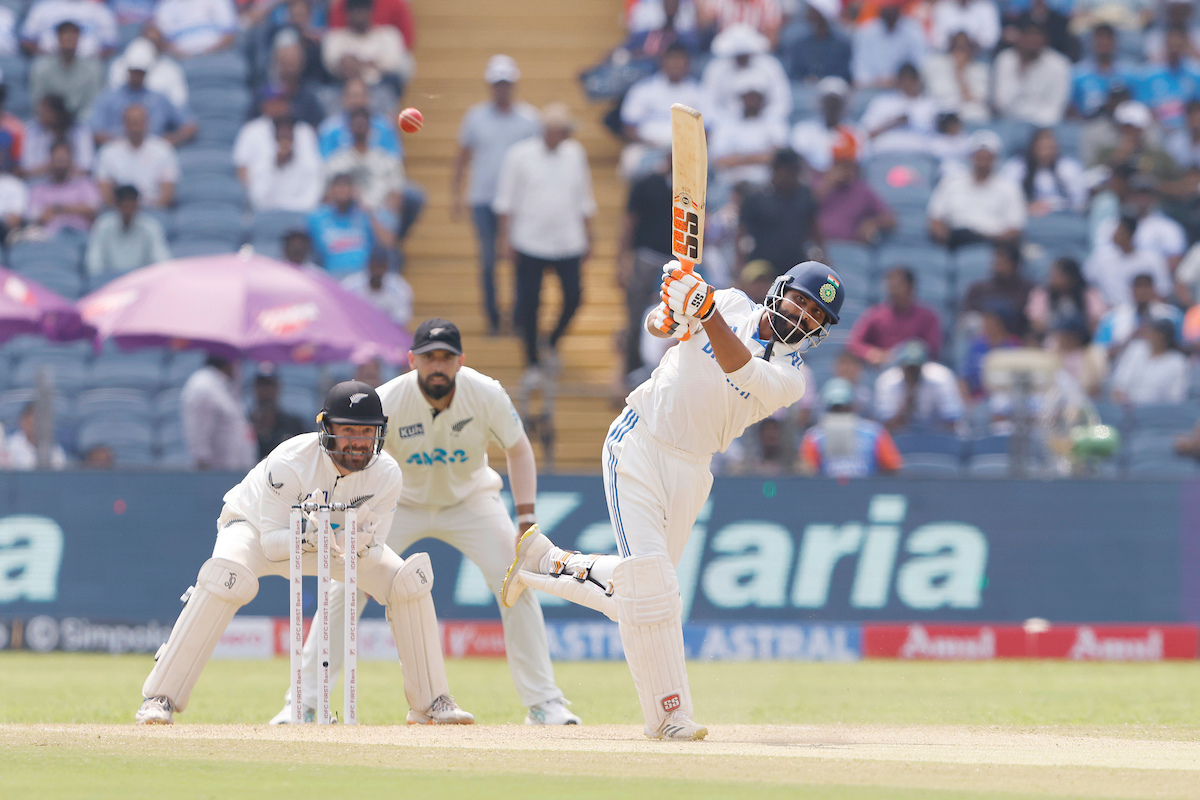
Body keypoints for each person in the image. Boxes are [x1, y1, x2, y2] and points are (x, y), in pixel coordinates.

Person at [502, 260, 846, 740]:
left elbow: (741, 369)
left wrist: (702, 312)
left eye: (816, 315)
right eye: (802, 300)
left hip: (693, 468)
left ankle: (546, 562)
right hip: (639, 440)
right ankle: (669, 718)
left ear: (821, 331)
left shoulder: (791, 378)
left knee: (652, 599)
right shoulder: (727, 302)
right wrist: (669, 315)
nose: (804, 314)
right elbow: (660, 324)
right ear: (779, 291)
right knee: (649, 585)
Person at [267, 322, 579, 727]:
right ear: (412, 360)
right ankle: (304, 703)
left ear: (460, 362)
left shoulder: (485, 393)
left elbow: (518, 449)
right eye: (429, 357)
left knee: (516, 581)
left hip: (472, 501)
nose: (438, 365)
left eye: (446, 358)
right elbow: (358, 459)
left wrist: (527, 519)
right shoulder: (388, 398)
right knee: (344, 585)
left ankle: (544, 703)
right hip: (403, 504)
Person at [136, 381, 474, 726]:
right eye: (348, 431)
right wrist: (309, 535)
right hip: (254, 529)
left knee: (406, 582)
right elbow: (269, 544)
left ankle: (432, 702)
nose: (358, 442)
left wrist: (358, 546)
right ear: (326, 429)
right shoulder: (290, 461)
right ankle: (160, 696)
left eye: (367, 432)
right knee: (226, 576)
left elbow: (371, 554)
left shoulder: (387, 474)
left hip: (334, 543)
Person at [494, 103, 595, 372]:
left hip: (568, 240)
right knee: (528, 304)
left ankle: (550, 341)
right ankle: (531, 360)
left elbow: (584, 197)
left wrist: (589, 235)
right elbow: (506, 201)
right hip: (529, 240)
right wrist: (505, 239)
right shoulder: (520, 155)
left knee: (574, 297)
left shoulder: (575, 154)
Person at [617, 150, 674, 378]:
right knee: (636, 317)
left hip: (678, 263)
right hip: (646, 258)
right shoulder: (646, 184)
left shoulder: (690, 190)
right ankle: (630, 372)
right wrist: (622, 262)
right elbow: (629, 222)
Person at [88, 38, 196, 147]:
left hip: (154, 154)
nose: (137, 76)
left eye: (140, 72)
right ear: (128, 70)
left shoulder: (159, 99)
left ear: (147, 72)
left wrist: (169, 140)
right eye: (134, 71)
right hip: (117, 154)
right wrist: (122, 146)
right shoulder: (109, 98)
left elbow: (190, 125)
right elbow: (95, 132)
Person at [928, 131, 1026, 250]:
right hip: (956, 243)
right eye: (979, 156)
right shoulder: (951, 183)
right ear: (971, 157)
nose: (982, 161)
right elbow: (935, 218)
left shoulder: (1010, 188)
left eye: (987, 157)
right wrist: (947, 238)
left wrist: (982, 239)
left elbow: (1015, 229)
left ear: (995, 158)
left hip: (993, 246)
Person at [738, 148, 822, 275]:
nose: (791, 175)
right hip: (762, 266)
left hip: (796, 264)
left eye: (794, 171)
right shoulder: (756, 197)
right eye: (788, 171)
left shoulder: (805, 195)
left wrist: (823, 257)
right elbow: (741, 234)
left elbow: (814, 229)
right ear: (776, 170)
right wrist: (740, 266)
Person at [800, 378, 903, 478]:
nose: (840, 413)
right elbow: (807, 474)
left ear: (853, 406)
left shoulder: (875, 434)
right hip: (828, 493)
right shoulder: (814, 437)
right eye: (835, 409)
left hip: (866, 492)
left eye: (844, 408)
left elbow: (893, 467)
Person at [847, 266, 942, 365]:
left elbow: (931, 347)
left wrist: (901, 354)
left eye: (897, 285)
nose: (892, 290)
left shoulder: (928, 317)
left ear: (910, 288)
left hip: (916, 370)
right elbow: (854, 343)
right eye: (890, 285)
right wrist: (871, 353)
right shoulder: (876, 314)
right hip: (883, 370)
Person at [701, 24, 790, 125]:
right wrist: (727, 123)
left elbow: (781, 102)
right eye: (738, 55)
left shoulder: (770, 66)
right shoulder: (715, 69)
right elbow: (708, 104)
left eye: (745, 54)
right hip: (726, 124)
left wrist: (762, 123)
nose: (742, 58)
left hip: (765, 123)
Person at [308, 173, 394, 278]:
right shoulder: (317, 218)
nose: (342, 191)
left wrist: (368, 211)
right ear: (331, 191)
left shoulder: (366, 215)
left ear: (353, 190)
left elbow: (388, 243)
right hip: (331, 278)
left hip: (362, 280)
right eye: (338, 187)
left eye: (346, 187)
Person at [707, 73, 787, 186]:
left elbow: (779, 158)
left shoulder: (775, 124)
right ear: (741, 98)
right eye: (748, 97)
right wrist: (758, 157)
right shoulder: (726, 124)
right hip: (729, 185)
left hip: (765, 187)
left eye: (756, 97)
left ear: (763, 99)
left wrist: (737, 158)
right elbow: (718, 161)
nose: (752, 101)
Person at [94, 104, 179, 209]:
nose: (135, 127)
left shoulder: (163, 149)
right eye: (131, 122)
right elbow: (105, 191)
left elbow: (167, 192)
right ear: (124, 123)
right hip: (119, 211)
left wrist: (152, 209)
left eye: (139, 122)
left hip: (153, 209)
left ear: (147, 122)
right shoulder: (108, 152)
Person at [992, 14, 1072, 127]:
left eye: (1036, 36)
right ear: (1020, 37)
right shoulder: (1005, 60)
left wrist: (1033, 123)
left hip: (1044, 126)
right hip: (1010, 123)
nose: (1032, 41)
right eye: (1028, 35)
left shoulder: (1059, 64)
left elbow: (1056, 107)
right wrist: (1021, 71)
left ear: (1045, 38)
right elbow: (1001, 103)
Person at [180, 354, 256, 471]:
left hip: (235, 475)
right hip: (217, 478)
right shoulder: (203, 386)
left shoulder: (224, 385)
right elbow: (199, 443)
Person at [321, 0, 413, 97]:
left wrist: (356, 64)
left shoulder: (388, 35)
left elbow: (392, 64)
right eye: (356, 12)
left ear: (371, 12)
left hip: (380, 89)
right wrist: (371, 64)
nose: (360, 16)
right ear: (347, 14)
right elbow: (331, 63)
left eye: (363, 11)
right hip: (342, 91)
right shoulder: (335, 37)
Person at [814, 135, 894, 244]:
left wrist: (872, 223)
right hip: (817, 246)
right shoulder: (818, 182)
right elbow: (803, 207)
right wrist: (829, 184)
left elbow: (890, 219)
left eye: (848, 165)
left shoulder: (862, 190)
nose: (844, 170)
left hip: (849, 247)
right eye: (840, 165)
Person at [875, 339, 964, 432]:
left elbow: (952, 421)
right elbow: (887, 426)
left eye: (916, 367)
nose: (912, 371)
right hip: (902, 440)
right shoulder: (888, 381)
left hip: (936, 437)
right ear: (901, 366)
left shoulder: (941, 378)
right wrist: (908, 400)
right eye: (909, 368)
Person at [84, 184, 171, 279]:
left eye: (132, 205)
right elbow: (94, 260)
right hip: (110, 281)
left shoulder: (151, 227)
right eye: (125, 205)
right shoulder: (103, 225)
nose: (129, 210)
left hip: (142, 280)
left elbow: (161, 258)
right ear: (117, 205)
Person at [1084, 214, 1172, 306]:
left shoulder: (1153, 259)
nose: (1114, 234)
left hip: (1147, 311)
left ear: (1129, 233)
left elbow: (1163, 292)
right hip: (1111, 313)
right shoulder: (1100, 258)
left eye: (1119, 230)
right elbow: (1087, 285)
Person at [244, 116, 324, 213]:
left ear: (293, 140)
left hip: (298, 215)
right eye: (281, 138)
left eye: (288, 138)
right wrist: (275, 165)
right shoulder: (261, 165)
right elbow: (258, 198)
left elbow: (312, 197)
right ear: (275, 140)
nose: (284, 143)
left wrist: (290, 211)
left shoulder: (308, 163)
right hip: (269, 215)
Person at [1001, 127, 1087, 215]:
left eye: (1050, 148)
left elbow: (1079, 202)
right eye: (1041, 148)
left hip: (1061, 217)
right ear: (1033, 147)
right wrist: (1027, 206)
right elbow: (1005, 199)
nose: (1046, 153)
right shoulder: (1016, 167)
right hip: (1027, 216)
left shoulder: (1070, 168)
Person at [29, 21, 103, 121]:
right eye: (65, 37)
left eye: (72, 37)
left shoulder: (93, 69)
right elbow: (38, 100)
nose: (69, 41)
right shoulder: (41, 67)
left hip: (81, 122)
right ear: (58, 38)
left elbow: (93, 103)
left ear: (78, 39)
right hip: (50, 121)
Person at [861, 62, 939, 154]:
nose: (907, 84)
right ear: (898, 81)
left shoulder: (929, 105)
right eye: (904, 80)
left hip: (917, 154)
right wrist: (893, 122)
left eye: (910, 79)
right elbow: (866, 134)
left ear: (917, 80)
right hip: (886, 153)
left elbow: (937, 137)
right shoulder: (883, 102)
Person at [789, 76, 863, 173]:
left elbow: (857, 166)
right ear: (820, 102)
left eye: (836, 102)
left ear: (844, 104)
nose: (832, 106)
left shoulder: (855, 133)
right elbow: (799, 163)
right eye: (828, 101)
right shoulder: (802, 130)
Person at [28, 140, 100, 236]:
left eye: (63, 160)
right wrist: (76, 209)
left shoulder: (84, 184)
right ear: (50, 161)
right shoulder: (38, 188)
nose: (60, 165)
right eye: (57, 160)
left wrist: (59, 209)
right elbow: (37, 218)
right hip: (49, 239)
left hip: (80, 237)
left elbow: (92, 210)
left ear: (71, 160)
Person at [1110, 317, 1189, 404]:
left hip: (1158, 413)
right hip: (1126, 409)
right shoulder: (1136, 349)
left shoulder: (1178, 362)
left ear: (1164, 337)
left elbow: (1175, 399)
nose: (1150, 335)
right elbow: (1119, 383)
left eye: (1155, 333)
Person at [1025, 256, 1107, 337]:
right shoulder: (1042, 294)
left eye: (1058, 276)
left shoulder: (1089, 294)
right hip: (1050, 340)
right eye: (1052, 275)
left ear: (1072, 278)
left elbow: (1097, 323)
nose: (1052, 279)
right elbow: (1036, 324)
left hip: (1082, 340)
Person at [852, 0, 927, 88]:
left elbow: (920, 63)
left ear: (899, 9)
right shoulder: (866, 31)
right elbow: (860, 69)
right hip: (873, 88)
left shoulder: (913, 30)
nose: (889, 12)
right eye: (886, 8)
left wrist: (899, 79)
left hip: (905, 88)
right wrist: (878, 81)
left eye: (892, 8)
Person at [922, 31, 990, 124]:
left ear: (970, 51)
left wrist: (959, 74)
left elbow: (974, 98)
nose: (959, 54)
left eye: (963, 49)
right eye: (956, 48)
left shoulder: (980, 70)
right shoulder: (937, 64)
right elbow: (936, 94)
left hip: (968, 114)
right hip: (944, 112)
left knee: (979, 115)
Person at [22, 93, 93, 178]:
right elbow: (27, 168)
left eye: (44, 112)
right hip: (41, 183)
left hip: (75, 181)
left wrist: (63, 168)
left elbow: (86, 166)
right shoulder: (33, 131)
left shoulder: (80, 130)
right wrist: (54, 166)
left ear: (56, 113)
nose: (40, 115)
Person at [341, 247, 414, 327]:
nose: (377, 271)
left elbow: (401, 320)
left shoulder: (400, 289)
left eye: (381, 267)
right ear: (369, 265)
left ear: (387, 267)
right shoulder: (349, 286)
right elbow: (343, 315)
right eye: (374, 266)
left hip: (387, 333)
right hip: (358, 331)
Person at [783, 0, 852, 83]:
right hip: (803, 90)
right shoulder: (799, 42)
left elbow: (843, 75)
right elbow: (794, 74)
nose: (807, 11)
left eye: (812, 9)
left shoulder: (842, 44)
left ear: (821, 14)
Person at [20, 0, 116, 58]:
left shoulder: (99, 9)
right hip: (49, 60)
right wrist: (42, 55)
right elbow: (26, 40)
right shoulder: (43, 7)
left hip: (87, 62)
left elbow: (110, 45)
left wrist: (95, 59)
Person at [248, 366, 307, 459]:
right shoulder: (245, 422)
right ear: (255, 388)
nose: (265, 390)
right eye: (261, 385)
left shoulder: (294, 424)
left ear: (277, 387)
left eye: (269, 384)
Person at [152, 0, 237, 59]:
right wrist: (184, 56)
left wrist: (208, 53)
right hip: (182, 60)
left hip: (219, 55)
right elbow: (165, 43)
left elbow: (229, 36)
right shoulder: (166, 6)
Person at [7, 403, 68, 470]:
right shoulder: (9, 447)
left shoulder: (53, 447)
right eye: (35, 418)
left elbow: (60, 472)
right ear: (24, 421)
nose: (39, 424)